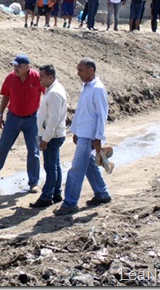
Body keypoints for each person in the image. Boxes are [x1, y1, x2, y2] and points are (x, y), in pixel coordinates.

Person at [54, 58, 111, 215]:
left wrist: (98, 137)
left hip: (90, 136)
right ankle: (102, 194)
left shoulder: (98, 89)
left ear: (91, 70)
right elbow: (81, 112)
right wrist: (75, 131)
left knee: (76, 169)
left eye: (81, 70)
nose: (78, 73)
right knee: (89, 166)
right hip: (83, 134)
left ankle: (70, 202)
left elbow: (102, 115)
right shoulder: (87, 87)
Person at [0, 54, 45, 193]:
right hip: (13, 118)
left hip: (32, 120)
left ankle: (33, 182)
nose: (16, 68)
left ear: (28, 67)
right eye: (14, 65)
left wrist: (45, 117)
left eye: (19, 66)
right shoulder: (10, 78)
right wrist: (0, 114)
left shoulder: (37, 78)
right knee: (3, 146)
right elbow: (6, 96)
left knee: (33, 151)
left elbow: (46, 95)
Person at [29, 64, 67, 208]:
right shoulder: (53, 90)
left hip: (52, 135)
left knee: (50, 167)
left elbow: (53, 119)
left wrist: (45, 138)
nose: (40, 80)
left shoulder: (54, 93)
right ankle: (56, 193)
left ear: (50, 77)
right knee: (55, 165)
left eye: (42, 77)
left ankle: (46, 196)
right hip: (53, 134)